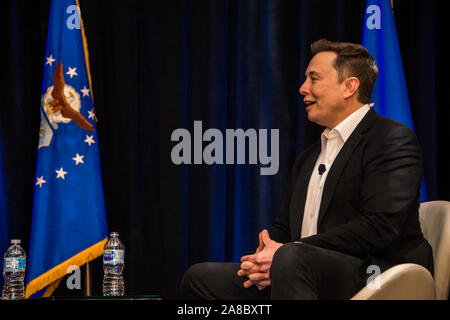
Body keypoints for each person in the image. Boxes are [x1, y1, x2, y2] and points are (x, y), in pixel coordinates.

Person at [181, 39, 434, 300]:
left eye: (313, 79)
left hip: (373, 273)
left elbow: (380, 226)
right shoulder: (309, 156)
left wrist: (286, 253)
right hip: (299, 268)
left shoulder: (390, 138)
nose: (303, 89)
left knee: (292, 258)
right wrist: (263, 258)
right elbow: (285, 228)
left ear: (349, 87)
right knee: (202, 278)